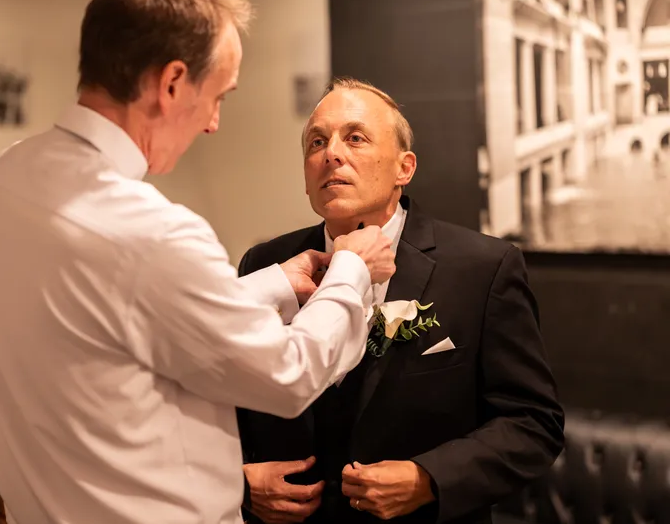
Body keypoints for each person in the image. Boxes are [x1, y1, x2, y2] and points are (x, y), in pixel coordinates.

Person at [0, 0, 397, 524]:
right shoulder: (153, 232)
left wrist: (276, 283)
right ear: (171, 83)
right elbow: (287, 376)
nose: (212, 123)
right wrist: (349, 270)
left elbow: (108, 316)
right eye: (218, 97)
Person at [236, 78, 565, 523]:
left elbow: (533, 423)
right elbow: (229, 397)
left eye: (355, 137)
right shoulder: (266, 265)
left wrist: (428, 478)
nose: (331, 153)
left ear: (403, 168)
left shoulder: (482, 267)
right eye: (317, 141)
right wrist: (240, 483)